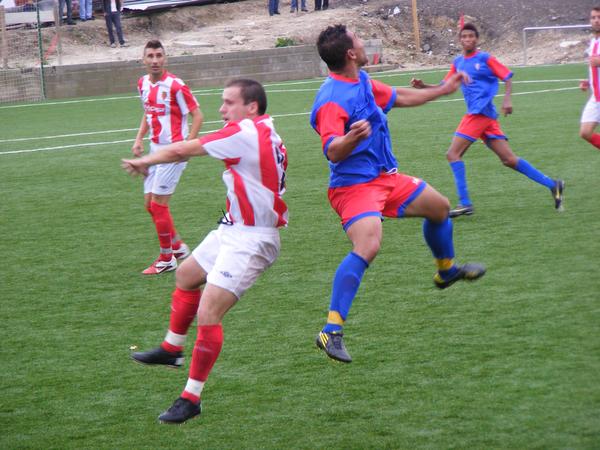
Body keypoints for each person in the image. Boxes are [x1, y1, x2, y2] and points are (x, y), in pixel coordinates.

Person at [310, 24, 486, 364]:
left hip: (386, 179)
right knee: (368, 245)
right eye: (359, 39)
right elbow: (332, 150)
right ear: (351, 53)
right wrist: (351, 139)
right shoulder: (332, 99)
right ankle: (331, 330)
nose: (364, 43)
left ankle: (446, 270)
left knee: (439, 208)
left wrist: (444, 89)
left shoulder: (361, 81)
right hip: (353, 187)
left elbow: (400, 96)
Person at [123, 79, 288, 424]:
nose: (222, 109)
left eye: (229, 102)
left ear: (251, 107)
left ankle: (191, 398)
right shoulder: (264, 128)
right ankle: (172, 349)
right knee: (186, 274)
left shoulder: (243, 132)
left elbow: (182, 150)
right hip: (233, 228)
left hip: (252, 239)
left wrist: (147, 160)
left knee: (208, 312)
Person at [411, 23, 564, 217]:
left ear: (477, 39)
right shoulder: (458, 62)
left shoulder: (485, 58)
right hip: (486, 117)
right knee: (508, 159)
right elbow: (444, 87)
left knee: (452, 154)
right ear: (459, 40)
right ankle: (553, 184)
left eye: (471, 36)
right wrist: (423, 86)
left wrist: (507, 100)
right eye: (464, 36)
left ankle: (465, 203)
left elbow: (507, 77)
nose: (467, 39)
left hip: (479, 113)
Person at [133, 40, 203, 275]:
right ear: (143, 60)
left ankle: (166, 259)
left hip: (173, 151)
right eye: (150, 56)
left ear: (165, 58)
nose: (155, 60)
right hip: (155, 150)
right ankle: (178, 247)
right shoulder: (142, 83)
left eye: (159, 55)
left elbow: (198, 116)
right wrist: (138, 139)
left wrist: (187, 147)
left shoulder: (176, 85)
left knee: (158, 205)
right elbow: (147, 112)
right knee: (149, 205)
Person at [579, 6, 600, 151]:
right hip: (596, 97)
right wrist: (589, 81)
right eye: (593, 18)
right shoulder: (593, 42)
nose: (596, 20)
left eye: (599, 17)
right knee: (585, 132)